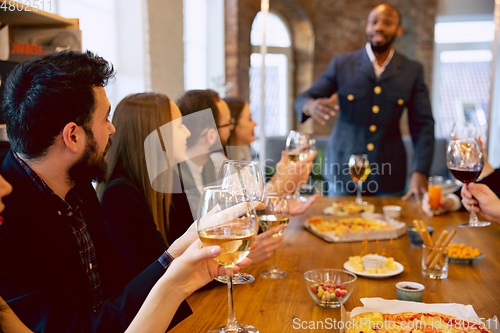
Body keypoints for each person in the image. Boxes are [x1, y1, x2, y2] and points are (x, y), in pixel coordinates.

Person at [0, 50, 247, 332]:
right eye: (105, 119)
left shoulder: (77, 186)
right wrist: (172, 268)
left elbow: (119, 285)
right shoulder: (6, 218)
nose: (112, 128)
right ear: (73, 136)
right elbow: (80, 327)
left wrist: (179, 251)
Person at [97, 93, 284, 293]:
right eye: (179, 125)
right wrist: (229, 265)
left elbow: (195, 243)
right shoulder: (121, 196)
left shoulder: (167, 180)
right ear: (155, 134)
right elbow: (162, 273)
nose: (187, 132)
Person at [294, 4, 434, 202]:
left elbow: (423, 125)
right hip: (342, 171)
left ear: (399, 30)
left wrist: (420, 171)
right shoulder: (342, 64)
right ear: (367, 28)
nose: (379, 27)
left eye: (388, 22)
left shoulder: (412, 71)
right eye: (374, 22)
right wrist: (310, 105)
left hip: (388, 174)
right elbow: (304, 98)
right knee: (339, 229)